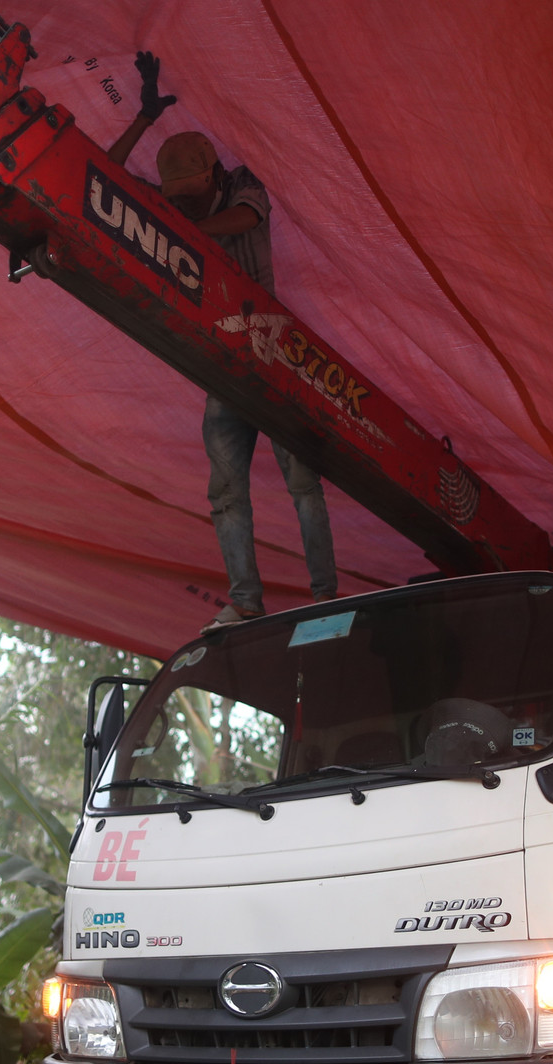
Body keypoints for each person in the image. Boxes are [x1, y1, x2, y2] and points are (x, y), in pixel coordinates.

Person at [105, 51, 337, 633]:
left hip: (274, 350)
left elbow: (243, 220)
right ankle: (247, 600)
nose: (180, 202)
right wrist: (142, 117)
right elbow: (103, 174)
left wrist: (179, 229)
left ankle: (325, 596)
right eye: (174, 197)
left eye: (189, 193)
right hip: (222, 363)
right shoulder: (171, 200)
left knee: (304, 484)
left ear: (211, 175)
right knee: (226, 492)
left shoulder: (242, 185)